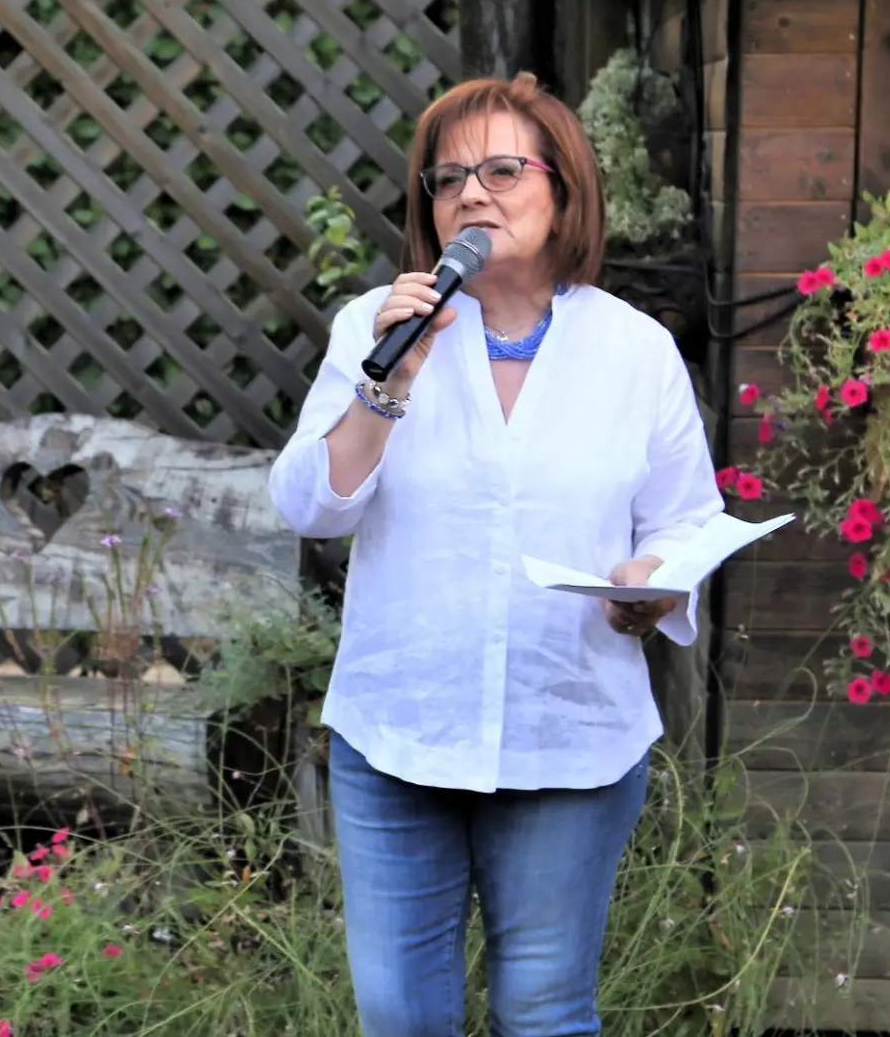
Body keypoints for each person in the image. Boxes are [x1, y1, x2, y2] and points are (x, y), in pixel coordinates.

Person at [266, 71, 724, 1037]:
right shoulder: (375, 328)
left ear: (565, 193)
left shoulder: (634, 351)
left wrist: (651, 583)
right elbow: (310, 506)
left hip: (568, 736)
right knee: (398, 1014)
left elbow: (685, 522)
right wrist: (388, 385)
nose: (470, 194)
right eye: (447, 178)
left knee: (544, 1006)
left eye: (503, 169)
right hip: (400, 731)